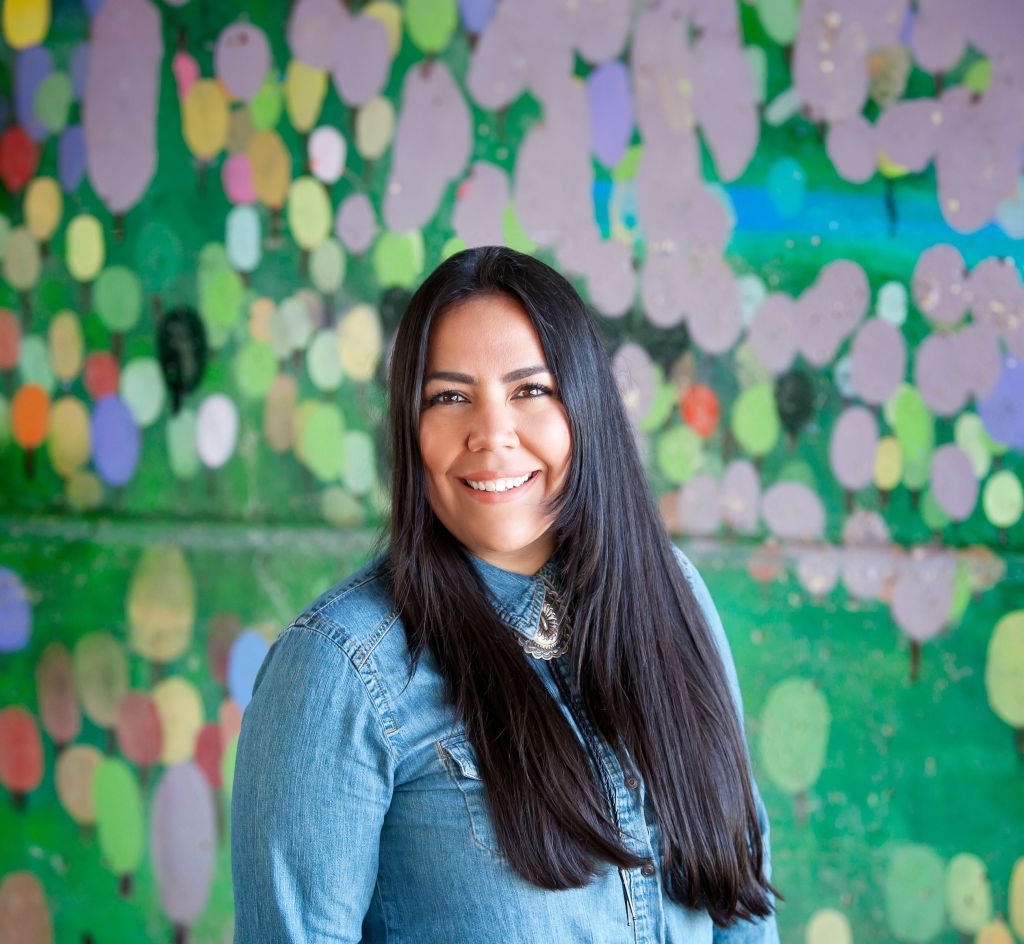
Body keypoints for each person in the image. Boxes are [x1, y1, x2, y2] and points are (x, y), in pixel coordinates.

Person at [231, 246, 782, 943]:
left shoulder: (671, 599)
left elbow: (742, 913)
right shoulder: (341, 670)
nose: (491, 434)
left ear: (585, 410)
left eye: (530, 391)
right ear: (412, 431)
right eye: (450, 397)